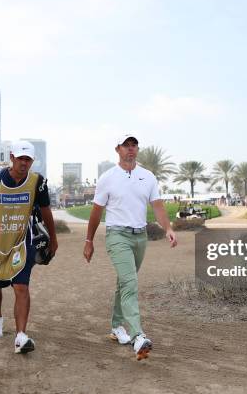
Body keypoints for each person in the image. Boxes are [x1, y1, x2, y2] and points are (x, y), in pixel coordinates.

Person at [83, 134, 177, 361]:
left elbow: (158, 206)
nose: (130, 149)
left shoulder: (148, 176)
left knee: (125, 282)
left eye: (134, 145)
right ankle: (138, 336)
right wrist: (89, 240)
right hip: (117, 235)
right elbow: (96, 212)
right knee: (130, 282)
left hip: (140, 237)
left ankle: (117, 326)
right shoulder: (108, 178)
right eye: (126, 145)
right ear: (117, 149)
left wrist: (168, 228)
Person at [0, 140, 58, 354]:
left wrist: (53, 239)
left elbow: (46, 212)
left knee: (21, 287)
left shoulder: (38, 182)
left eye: (28, 159)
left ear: (32, 161)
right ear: (12, 157)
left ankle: (20, 336)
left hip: (21, 243)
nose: (24, 163)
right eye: (20, 158)